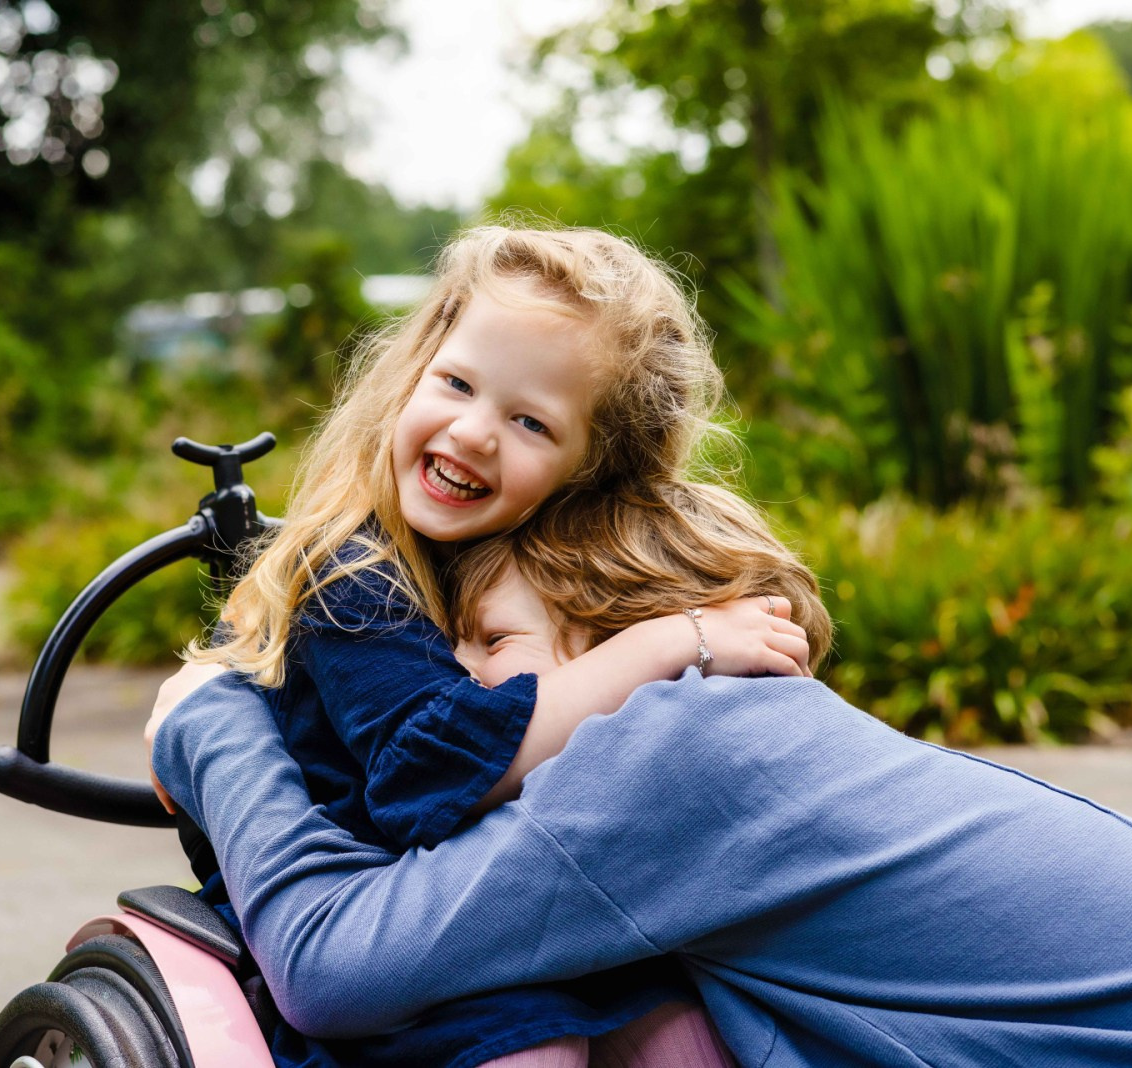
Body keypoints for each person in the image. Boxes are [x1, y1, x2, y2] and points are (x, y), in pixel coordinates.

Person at [152, 494, 1132, 1067]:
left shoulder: (673, 757)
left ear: (617, 630)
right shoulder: (760, 736)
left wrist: (215, 724)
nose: (462, 690)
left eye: (493, 644)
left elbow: (336, 964)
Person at [146, 224, 814, 1068]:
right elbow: (430, 773)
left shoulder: (542, 562)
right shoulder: (354, 571)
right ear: (413, 370)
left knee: (687, 1035)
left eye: (531, 421)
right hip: (383, 927)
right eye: (457, 383)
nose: (472, 433)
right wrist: (672, 644)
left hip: (515, 907)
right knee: (534, 1049)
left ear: (587, 469)